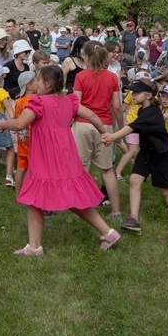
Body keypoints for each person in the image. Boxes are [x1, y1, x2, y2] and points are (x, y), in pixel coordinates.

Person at [0, 65, 120, 255]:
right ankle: (107, 232)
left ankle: (36, 246)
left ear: (48, 83)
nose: (36, 83)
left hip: (46, 157)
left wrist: (3, 124)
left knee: (37, 198)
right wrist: (104, 132)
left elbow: (20, 123)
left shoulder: (38, 102)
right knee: (64, 198)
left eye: (38, 80)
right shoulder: (69, 101)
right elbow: (93, 115)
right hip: (65, 156)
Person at [102, 80, 168, 235]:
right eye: (132, 92)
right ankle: (133, 219)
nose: (132, 95)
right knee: (134, 180)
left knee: (166, 190)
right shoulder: (142, 110)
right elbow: (135, 128)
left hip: (160, 155)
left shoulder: (152, 112)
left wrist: (112, 137)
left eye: (136, 92)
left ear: (148, 95)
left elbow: (131, 127)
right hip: (146, 152)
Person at [72, 41, 123, 216]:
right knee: (107, 169)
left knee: (83, 166)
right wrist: (120, 129)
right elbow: (117, 106)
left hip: (83, 124)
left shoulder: (81, 76)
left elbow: (76, 104)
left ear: (86, 57)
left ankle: (84, 207)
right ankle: (116, 211)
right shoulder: (112, 77)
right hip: (106, 126)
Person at [13, 71, 37, 196]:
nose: (39, 83)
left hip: (22, 139)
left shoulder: (19, 101)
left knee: (21, 168)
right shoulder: (34, 100)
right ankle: (30, 194)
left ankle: (18, 196)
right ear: (29, 86)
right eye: (36, 81)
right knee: (33, 170)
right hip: (33, 140)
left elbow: (15, 118)